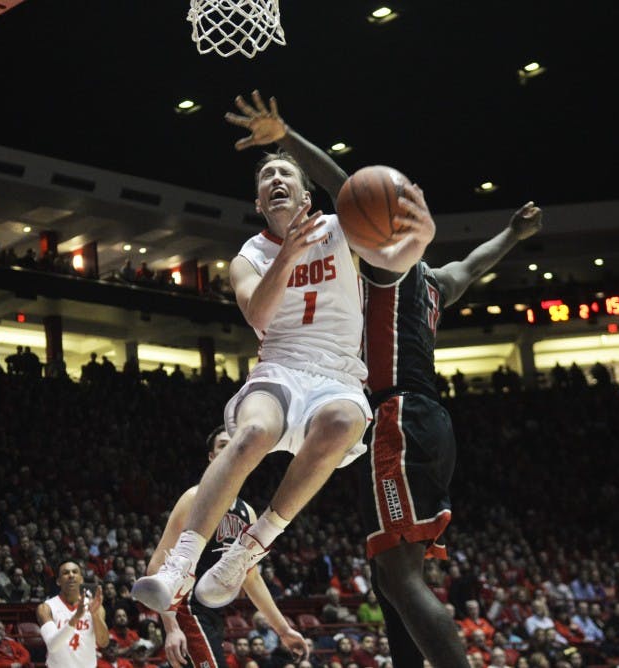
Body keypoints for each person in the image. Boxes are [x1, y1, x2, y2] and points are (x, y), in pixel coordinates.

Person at [223, 90, 541, 668]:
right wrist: (514, 235)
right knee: (389, 576)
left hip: (394, 417)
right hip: (429, 421)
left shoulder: (379, 269)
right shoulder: (436, 280)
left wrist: (287, 137)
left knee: (398, 575)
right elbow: (475, 264)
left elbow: (346, 188)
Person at [134, 92, 429, 617]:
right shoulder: (249, 255)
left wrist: (286, 139)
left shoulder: (343, 229)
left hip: (338, 373)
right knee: (253, 432)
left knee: (343, 421)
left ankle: (249, 549)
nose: (274, 180)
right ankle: (181, 565)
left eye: (283, 175)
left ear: (305, 193)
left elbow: (356, 193)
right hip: (280, 366)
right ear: (258, 204)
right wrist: (288, 253)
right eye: (264, 178)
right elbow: (260, 317)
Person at [139, 426, 306, 668]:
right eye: (222, 445)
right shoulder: (193, 498)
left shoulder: (246, 511)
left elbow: (251, 578)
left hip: (214, 615)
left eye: (235, 444)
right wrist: (172, 627)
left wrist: (283, 630)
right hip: (186, 610)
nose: (231, 449)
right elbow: (157, 565)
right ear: (212, 457)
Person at [36, 562, 108, 668]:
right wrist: (76, 617)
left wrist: (95, 615)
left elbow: (103, 642)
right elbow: (52, 645)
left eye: (75, 572)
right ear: (58, 581)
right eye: (66, 573)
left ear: (81, 579)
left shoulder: (94, 606)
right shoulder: (46, 608)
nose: (71, 575)